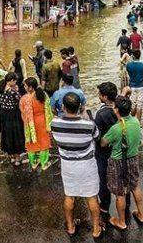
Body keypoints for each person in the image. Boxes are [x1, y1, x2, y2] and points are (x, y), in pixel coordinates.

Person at [51, 92, 103, 238]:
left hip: (68, 165)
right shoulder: (88, 125)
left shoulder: (55, 123)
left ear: (63, 107)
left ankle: (70, 226)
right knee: (91, 197)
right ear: (80, 107)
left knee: (69, 195)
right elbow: (97, 137)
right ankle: (95, 229)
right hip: (86, 165)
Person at [101, 96, 143, 230]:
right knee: (135, 186)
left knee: (120, 193)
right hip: (133, 158)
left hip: (117, 162)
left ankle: (121, 222)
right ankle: (141, 215)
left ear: (117, 111)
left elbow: (103, 143)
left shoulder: (116, 128)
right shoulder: (136, 122)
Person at [95, 82, 119, 217]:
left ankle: (104, 207)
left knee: (103, 180)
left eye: (99, 94)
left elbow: (97, 136)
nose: (98, 96)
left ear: (104, 97)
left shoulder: (101, 114)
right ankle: (125, 204)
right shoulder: (119, 108)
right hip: (118, 150)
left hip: (103, 153)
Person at [20, 77, 53, 170]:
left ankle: (34, 162)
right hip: (42, 121)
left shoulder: (24, 99)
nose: (24, 87)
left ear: (30, 87)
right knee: (43, 141)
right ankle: (44, 164)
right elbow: (48, 109)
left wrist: (26, 123)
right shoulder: (43, 95)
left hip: (30, 123)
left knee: (31, 142)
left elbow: (22, 112)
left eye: (25, 85)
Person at [0, 73, 25, 166]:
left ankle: (12, 156)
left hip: (5, 115)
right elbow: (20, 101)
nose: (16, 82)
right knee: (16, 135)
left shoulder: (0, 89)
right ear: (12, 80)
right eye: (15, 80)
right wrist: (17, 91)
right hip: (14, 115)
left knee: (8, 135)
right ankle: (17, 158)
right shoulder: (12, 92)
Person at [125, 49, 143, 123]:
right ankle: (138, 121)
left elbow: (128, 73)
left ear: (132, 56)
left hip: (132, 86)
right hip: (141, 86)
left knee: (133, 104)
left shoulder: (129, 65)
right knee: (139, 105)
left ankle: (131, 120)